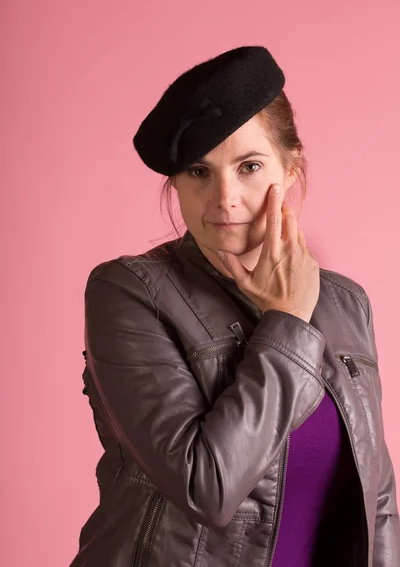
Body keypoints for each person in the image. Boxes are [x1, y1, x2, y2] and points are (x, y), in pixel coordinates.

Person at [69, 46, 400, 567]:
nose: (224, 198)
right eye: (199, 173)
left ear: (290, 169)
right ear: (175, 183)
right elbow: (208, 488)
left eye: (248, 166)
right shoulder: (130, 293)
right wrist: (287, 321)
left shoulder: (345, 302)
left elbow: (376, 500)